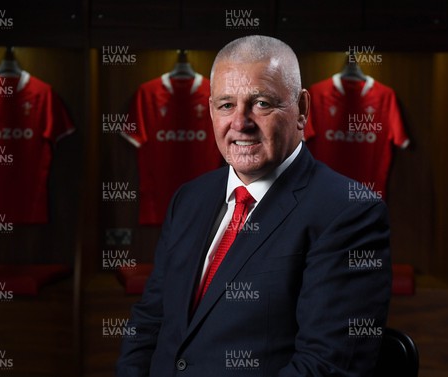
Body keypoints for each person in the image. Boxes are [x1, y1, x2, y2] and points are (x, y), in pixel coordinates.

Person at [117, 35, 391, 377]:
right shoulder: (188, 199)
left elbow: (326, 366)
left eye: (261, 103)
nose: (240, 123)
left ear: (302, 109)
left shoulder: (350, 213)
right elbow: (150, 321)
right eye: (226, 105)